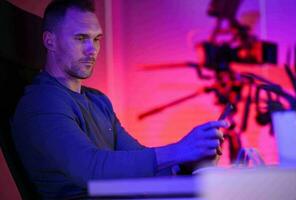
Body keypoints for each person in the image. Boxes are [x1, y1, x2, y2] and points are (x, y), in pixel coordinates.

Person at [11, 0, 228, 199]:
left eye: (96, 39)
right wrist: (179, 150)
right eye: (81, 38)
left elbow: (141, 160)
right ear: (50, 41)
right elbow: (90, 169)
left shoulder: (98, 101)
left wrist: (189, 162)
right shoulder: (41, 103)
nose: (92, 50)